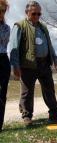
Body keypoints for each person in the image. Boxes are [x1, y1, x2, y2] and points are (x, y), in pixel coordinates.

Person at [10, 1, 57, 126]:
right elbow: (14, 47)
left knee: (49, 90)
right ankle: (27, 117)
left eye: (39, 14)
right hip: (27, 65)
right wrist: (15, 66)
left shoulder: (43, 27)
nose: (37, 16)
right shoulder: (19, 26)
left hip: (44, 64)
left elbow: (49, 44)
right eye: (34, 14)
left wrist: (55, 59)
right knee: (27, 93)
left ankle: (54, 115)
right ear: (27, 12)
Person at [0, 0, 10, 132]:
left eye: (3, 11)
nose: (1, 13)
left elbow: (4, 44)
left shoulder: (6, 28)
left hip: (2, 59)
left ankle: (0, 125)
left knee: (2, 93)